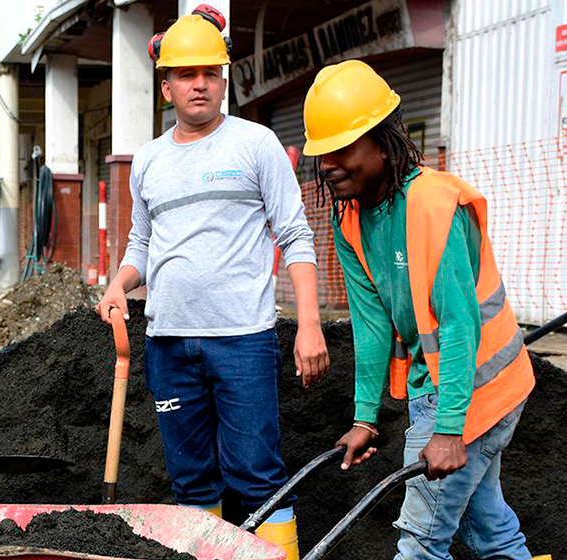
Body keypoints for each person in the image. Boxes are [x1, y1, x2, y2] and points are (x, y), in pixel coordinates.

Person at [95, 6, 328, 559]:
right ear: (167, 84)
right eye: (186, 74)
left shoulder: (256, 144)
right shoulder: (149, 160)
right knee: (192, 481)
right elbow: (143, 245)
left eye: (210, 73)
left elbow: (295, 234)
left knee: (257, 476)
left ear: (224, 78)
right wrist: (117, 284)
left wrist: (310, 325)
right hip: (169, 342)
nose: (199, 84)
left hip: (243, 341)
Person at [304, 59, 548, 560]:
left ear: (384, 143)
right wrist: (365, 418)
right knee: (488, 528)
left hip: (475, 387)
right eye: (321, 152)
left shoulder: (433, 205)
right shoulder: (349, 217)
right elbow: (371, 327)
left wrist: (449, 430)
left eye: (342, 148)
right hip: (439, 388)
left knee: (420, 541)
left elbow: (459, 327)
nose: (328, 164)